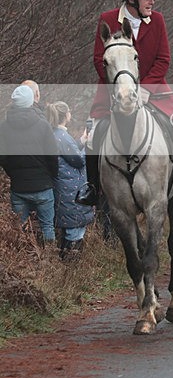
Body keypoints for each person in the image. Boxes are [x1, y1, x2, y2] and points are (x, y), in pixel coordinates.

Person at [76, 0, 173, 205]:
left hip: (154, 87)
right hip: (114, 89)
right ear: (131, 1)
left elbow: (163, 59)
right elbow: (100, 60)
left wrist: (146, 88)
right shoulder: (107, 19)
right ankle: (91, 186)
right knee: (95, 132)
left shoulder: (157, 20)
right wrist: (121, 85)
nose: (152, 2)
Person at [0, 84, 58, 245]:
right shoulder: (43, 124)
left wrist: (14, 174)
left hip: (18, 187)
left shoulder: (3, 127)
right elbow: (53, 157)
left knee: (20, 229)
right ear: (31, 101)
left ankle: (25, 259)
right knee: (47, 227)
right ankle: (49, 260)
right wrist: (51, 176)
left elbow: (3, 158)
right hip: (43, 186)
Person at [46, 101, 94, 259]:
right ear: (66, 115)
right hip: (71, 189)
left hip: (63, 186)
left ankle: (66, 264)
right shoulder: (62, 137)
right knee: (75, 229)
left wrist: (81, 142)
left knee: (69, 228)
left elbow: (69, 155)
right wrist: (88, 148)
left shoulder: (54, 134)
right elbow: (79, 160)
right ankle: (71, 265)